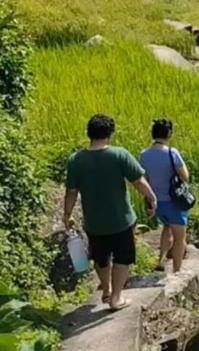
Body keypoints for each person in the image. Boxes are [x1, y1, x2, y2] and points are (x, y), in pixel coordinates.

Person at [63, 114, 157, 312]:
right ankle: (115, 298)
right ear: (110, 133)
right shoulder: (119, 154)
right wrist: (152, 197)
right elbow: (138, 181)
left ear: (89, 133)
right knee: (123, 258)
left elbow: (71, 192)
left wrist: (67, 214)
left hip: (94, 222)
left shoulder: (76, 160)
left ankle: (106, 289)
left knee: (101, 257)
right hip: (121, 220)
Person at [139, 119, 190, 274]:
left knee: (166, 227)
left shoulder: (144, 154)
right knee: (179, 237)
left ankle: (161, 260)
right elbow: (185, 176)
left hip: (157, 202)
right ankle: (177, 270)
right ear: (169, 134)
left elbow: (144, 179)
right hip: (174, 202)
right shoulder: (171, 152)